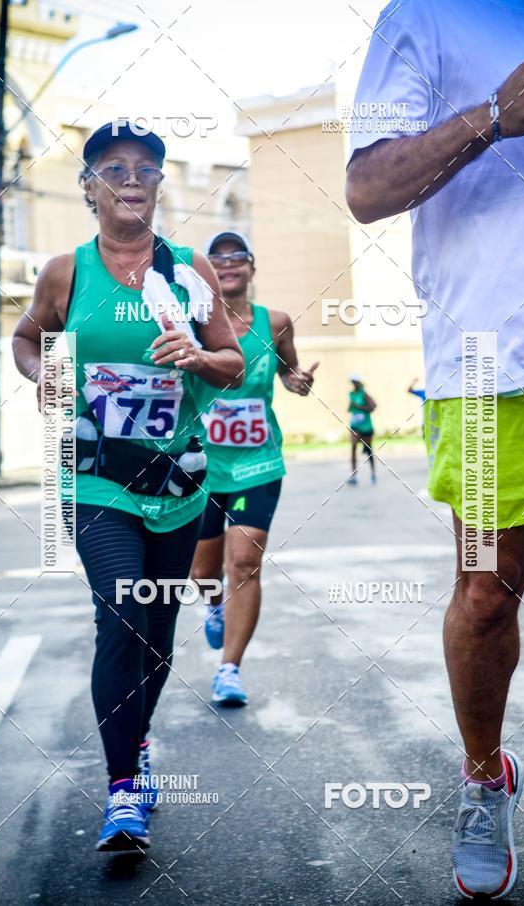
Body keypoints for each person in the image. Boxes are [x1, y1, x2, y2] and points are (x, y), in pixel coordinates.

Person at [346, 1, 524, 899]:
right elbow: (364, 189)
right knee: (485, 594)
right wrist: (490, 116)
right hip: (489, 368)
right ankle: (485, 778)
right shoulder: (427, 18)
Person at [12, 122, 243, 853]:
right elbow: (27, 338)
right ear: (90, 187)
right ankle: (122, 790)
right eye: (113, 167)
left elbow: (234, 362)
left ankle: (136, 736)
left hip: (177, 482)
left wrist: (198, 357)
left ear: (159, 185)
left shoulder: (190, 272)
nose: (131, 178)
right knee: (122, 612)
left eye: (146, 167)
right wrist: (45, 376)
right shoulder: (66, 272)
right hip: (96, 479)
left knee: (158, 636)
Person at [190, 231, 318, 706]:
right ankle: (214, 604)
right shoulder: (193, 322)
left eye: (236, 257)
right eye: (217, 258)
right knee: (203, 574)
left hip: (257, 463)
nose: (227, 265)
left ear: (251, 267)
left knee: (243, 562)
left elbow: (290, 372)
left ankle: (229, 669)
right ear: (207, 272)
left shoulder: (276, 322)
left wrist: (297, 381)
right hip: (200, 465)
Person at [347, 373, 377, 485]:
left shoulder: (364, 394)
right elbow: (350, 408)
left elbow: (373, 407)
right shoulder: (351, 394)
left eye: (355, 382)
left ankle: (373, 474)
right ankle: (353, 476)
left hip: (366, 427)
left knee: (368, 451)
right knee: (353, 447)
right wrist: (351, 406)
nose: (353, 384)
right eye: (352, 382)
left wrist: (358, 406)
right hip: (355, 426)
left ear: (359, 382)